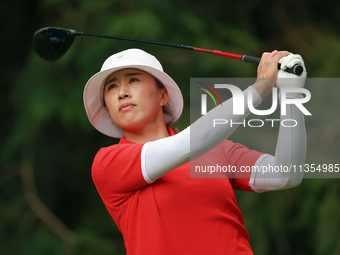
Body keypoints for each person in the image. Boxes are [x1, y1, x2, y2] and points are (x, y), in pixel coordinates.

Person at [83, 48, 307, 254]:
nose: (122, 92)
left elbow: (285, 174)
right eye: (112, 87)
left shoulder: (216, 148)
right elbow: (192, 142)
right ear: (108, 110)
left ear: (163, 96)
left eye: (133, 79)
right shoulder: (108, 163)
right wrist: (262, 86)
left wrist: (292, 96)